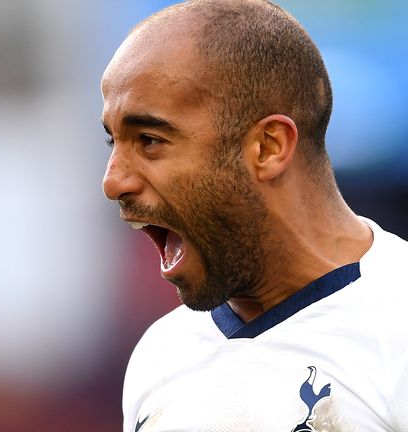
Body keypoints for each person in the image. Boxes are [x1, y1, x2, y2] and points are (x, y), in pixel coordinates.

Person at [101, 0, 408, 430]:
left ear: (269, 147)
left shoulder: (397, 326)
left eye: (149, 140)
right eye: (112, 142)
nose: (113, 182)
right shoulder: (160, 356)